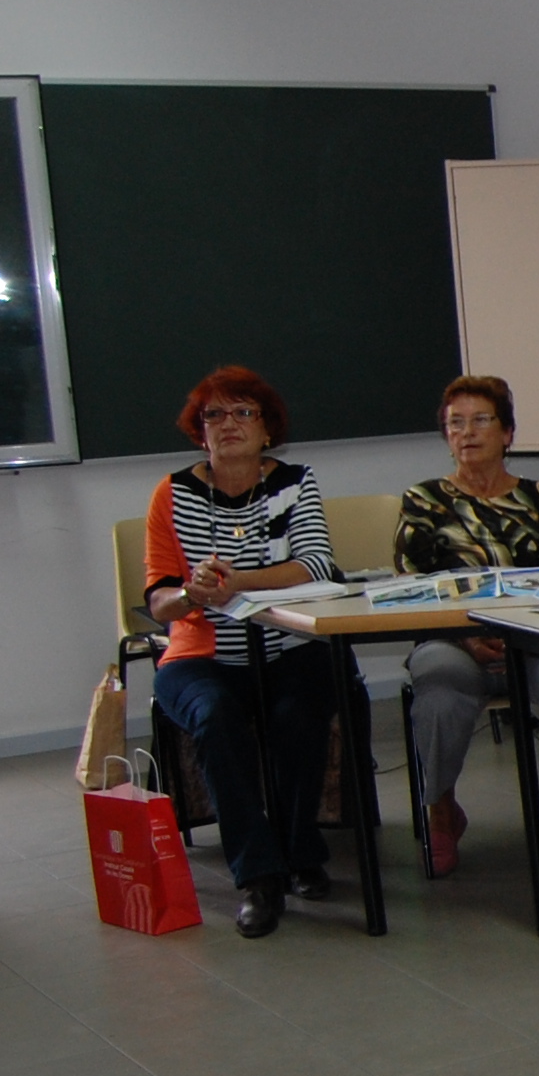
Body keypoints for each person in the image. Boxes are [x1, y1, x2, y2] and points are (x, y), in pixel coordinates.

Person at [140, 366, 338, 937]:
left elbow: (316, 566)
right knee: (217, 717)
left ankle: (299, 848)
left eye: (244, 412)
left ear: (267, 428)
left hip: (288, 644)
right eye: (215, 415)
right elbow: (159, 601)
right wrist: (192, 594)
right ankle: (258, 875)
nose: (229, 424)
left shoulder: (295, 482)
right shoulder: (172, 493)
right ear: (199, 431)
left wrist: (238, 582)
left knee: (301, 710)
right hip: (200, 657)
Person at [395, 375, 539, 873]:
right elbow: (411, 586)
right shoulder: (424, 501)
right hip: (455, 639)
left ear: (508, 433)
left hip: (538, 640)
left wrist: (521, 634)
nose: (466, 432)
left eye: (480, 420)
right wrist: (466, 635)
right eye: (455, 423)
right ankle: (442, 810)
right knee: (438, 690)